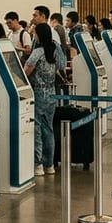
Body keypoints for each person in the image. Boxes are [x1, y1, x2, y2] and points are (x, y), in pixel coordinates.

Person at [25, 23, 66, 177]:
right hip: (51, 92)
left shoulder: (37, 52)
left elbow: (26, 72)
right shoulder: (55, 50)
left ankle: (38, 164)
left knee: (36, 128)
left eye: (35, 33)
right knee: (48, 129)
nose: (33, 35)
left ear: (39, 35)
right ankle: (50, 165)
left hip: (38, 93)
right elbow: (61, 66)